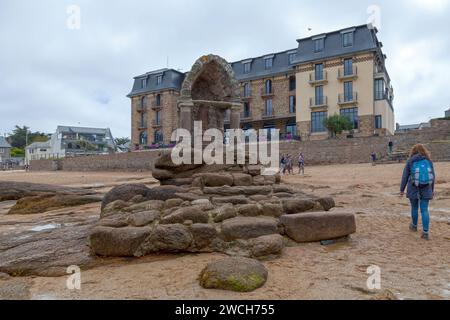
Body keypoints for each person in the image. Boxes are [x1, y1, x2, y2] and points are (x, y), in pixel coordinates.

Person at [400, 144, 435, 240]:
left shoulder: (410, 161)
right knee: (424, 210)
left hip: (413, 188)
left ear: (413, 151)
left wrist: (402, 190)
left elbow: (405, 176)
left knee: (414, 207)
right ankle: (425, 232)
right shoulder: (428, 161)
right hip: (426, 188)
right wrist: (432, 190)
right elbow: (433, 176)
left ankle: (414, 226)